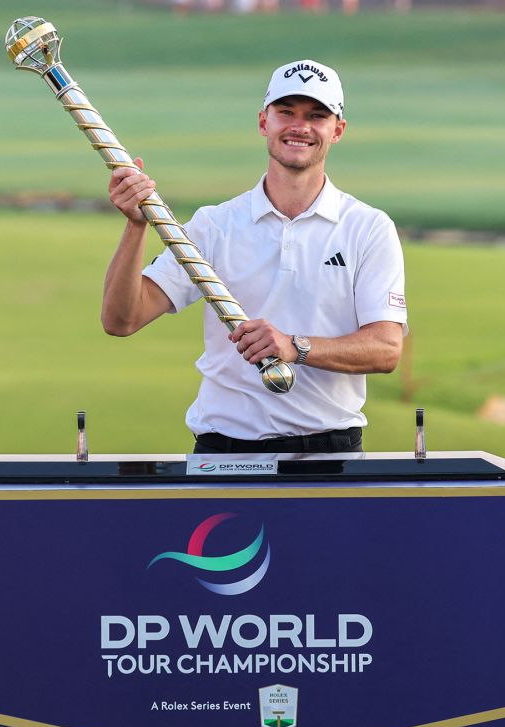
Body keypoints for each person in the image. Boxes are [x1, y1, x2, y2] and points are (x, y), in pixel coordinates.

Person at [101, 59, 407, 454]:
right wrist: (135, 227)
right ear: (264, 122)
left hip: (329, 456)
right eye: (286, 113)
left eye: (316, 115)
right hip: (223, 454)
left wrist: (294, 346)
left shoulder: (367, 227)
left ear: (338, 130)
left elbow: (386, 349)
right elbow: (121, 319)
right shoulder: (214, 225)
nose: (300, 126)